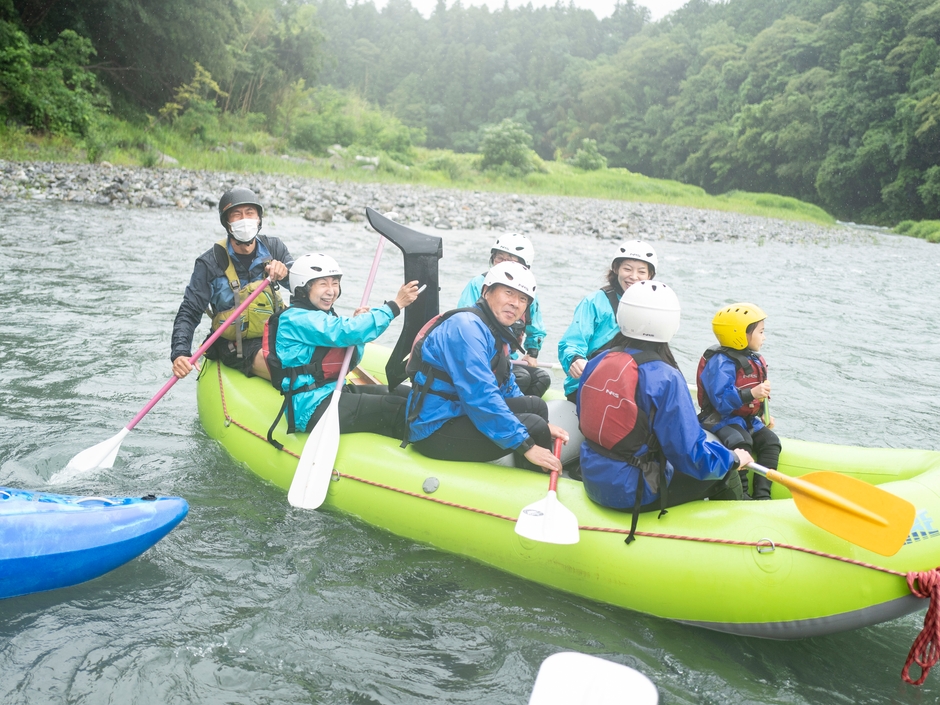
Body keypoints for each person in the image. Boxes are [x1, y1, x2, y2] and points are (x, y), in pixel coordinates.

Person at [577, 281, 750, 542]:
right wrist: (733, 460)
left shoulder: (598, 361)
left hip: (592, 476)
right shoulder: (666, 377)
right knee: (723, 471)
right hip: (631, 492)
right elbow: (691, 456)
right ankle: (741, 532)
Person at [404, 261, 568, 472]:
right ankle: (533, 474)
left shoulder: (494, 329)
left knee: (535, 406)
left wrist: (538, 425)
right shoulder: (466, 328)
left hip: (459, 410)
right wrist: (526, 444)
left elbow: (506, 386)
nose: (515, 304)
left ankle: (531, 463)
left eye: (522, 299)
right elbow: (480, 395)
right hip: (436, 426)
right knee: (533, 426)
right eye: (508, 293)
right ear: (486, 291)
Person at [262, 253, 421, 443]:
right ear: (303, 288)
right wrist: (395, 305)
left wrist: (357, 330)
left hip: (335, 391)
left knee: (408, 394)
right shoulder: (295, 319)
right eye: (323, 284)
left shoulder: (325, 317)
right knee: (396, 407)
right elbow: (345, 332)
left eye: (335, 283)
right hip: (311, 406)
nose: (331, 291)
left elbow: (350, 360)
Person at [171, 187, 292, 380]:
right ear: (227, 223)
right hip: (235, 343)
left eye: (250, 213)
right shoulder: (209, 263)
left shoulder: (274, 248)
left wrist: (286, 274)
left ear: (259, 218)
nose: (245, 219)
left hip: (274, 332)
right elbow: (190, 311)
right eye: (237, 215)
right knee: (287, 368)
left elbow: (303, 286)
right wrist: (180, 353)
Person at [696, 303, 780, 500]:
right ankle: (741, 494)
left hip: (745, 420)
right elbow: (721, 401)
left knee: (771, 442)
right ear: (740, 334)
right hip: (719, 419)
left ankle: (762, 495)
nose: (764, 337)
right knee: (741, 441)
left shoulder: (754, 359)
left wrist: (763, 414)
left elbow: (759, 394)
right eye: (761, 332)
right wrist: (751, 393)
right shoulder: (721, 362)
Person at [558, 240, 658, 402]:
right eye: (627, 269)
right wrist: (575, 359)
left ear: (650, 276)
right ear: (616, 268)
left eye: (641, 272)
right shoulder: (594, 302)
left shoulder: (653, 308)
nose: (633, 277)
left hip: (629, 385)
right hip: (589, 382)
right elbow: (572, 342)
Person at [456, 233, 551, 397]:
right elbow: (464, 322)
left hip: (509, 358)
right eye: (500, 258)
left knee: (541, 378)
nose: (504, 264)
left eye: (511, 260)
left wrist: (532, 352)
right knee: (521, 378)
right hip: (481, 359)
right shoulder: (478, 284)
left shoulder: (527, 293)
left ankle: (519, 413)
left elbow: (535, 328)